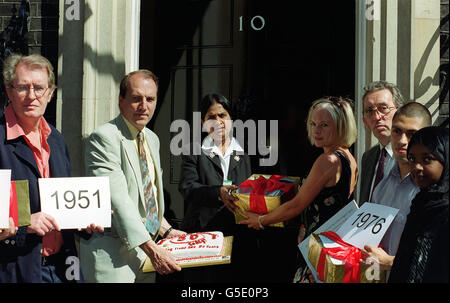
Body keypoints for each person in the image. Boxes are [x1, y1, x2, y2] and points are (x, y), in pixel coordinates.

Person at [0, 53, 100, 283]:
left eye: (39, 88)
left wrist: (84, 220)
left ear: (51, 93)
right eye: (23, 87)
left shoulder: (56, 139)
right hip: (15, 270)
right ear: (9, 91)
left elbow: (62, 203)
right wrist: (25, 224)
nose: (31, 96)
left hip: (63, 269)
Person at [80, 69, 185, 283]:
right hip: (113, 257)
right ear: (121, 100)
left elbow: (149, 199)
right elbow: (118, 200)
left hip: (145, 256)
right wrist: (152, 249)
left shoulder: (152, 139)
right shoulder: (104, 137)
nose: (143, 106)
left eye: (150, 99)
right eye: (136, 98)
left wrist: (167, 231)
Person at [239, 96, 358, 283]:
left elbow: (297, 205)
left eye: (324, 125)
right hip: (335, 245)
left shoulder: (328, 161)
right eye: (313, 124)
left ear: (340, 126)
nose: (316, 130)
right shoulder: (349, 157)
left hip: (319, 248)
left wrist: (261, 220)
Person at [178, 93, 253, 282]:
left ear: (231, 119)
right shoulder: (193, 151)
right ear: (203, 122)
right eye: (212, 117)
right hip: (204, 237)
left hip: (238, 237)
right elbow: (187, 187)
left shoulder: (244, 153)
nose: (218, 121)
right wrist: (218, 192)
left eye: (223, 115)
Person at [365, 127, 449, 283]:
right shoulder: (420, 205)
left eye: (427, 159)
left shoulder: (444, 211)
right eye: (412, 159)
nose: (417, 167)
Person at [362, 103, 431, 278]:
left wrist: (391, 261)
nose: (402, 141)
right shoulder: (382, 186)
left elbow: (437, 254)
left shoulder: (434, 190)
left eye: (412, 134)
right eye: (397, 131)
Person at [359, 81, 405, 204]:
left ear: (399, 112)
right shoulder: (368, 158)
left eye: (383, 108)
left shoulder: (413, 155)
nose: (377, 116)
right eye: (369, 111)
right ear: (365, 121)